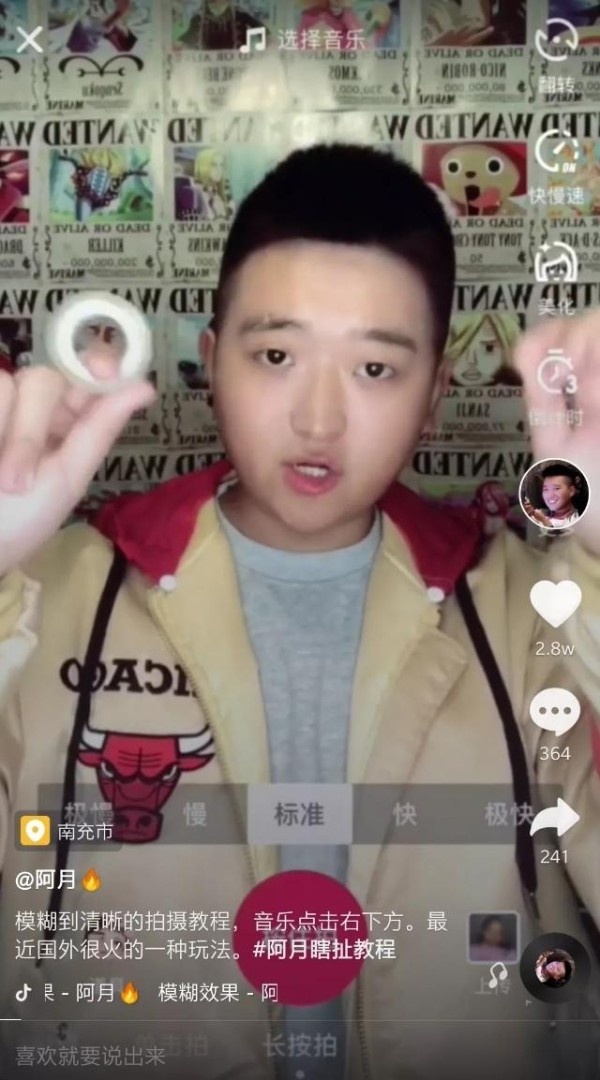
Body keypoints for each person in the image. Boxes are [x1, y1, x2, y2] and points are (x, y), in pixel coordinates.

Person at [0, 145, 599, 1080]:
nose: (319, 420)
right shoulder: (54, 596)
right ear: (212, 362)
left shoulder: (533, 613)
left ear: (435, 396)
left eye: (376, 369)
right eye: (276, 356)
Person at [522, 462, 586, 530]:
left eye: (556, 488)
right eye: (546, 489)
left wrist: (544, 520)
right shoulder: (545, 514)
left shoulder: (573, 520)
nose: (550, 495)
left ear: (571, 491)